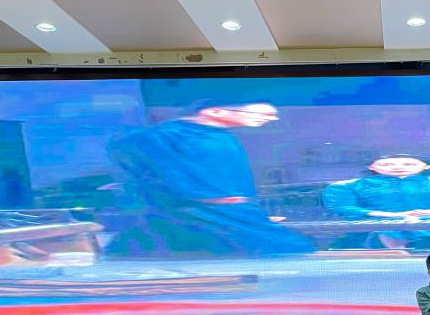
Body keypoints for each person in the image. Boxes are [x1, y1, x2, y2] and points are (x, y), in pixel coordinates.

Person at [105, 103, 313, 257]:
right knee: (287, 248)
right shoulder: (165, 136)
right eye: (262, 114)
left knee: (292, 248)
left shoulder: (222, 137)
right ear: (214, 111)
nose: (270, 119)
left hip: (234, 213)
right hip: (202, 216)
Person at [323, 154, 430, 249]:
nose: (398, 167)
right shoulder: (348, 186)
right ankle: (397, 253)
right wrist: (388, 215)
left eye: (409, 163)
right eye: (387, 164)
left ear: (427, 166)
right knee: (390, 225)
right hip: (382, 220)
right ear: (371, 167)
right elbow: (344, 207)